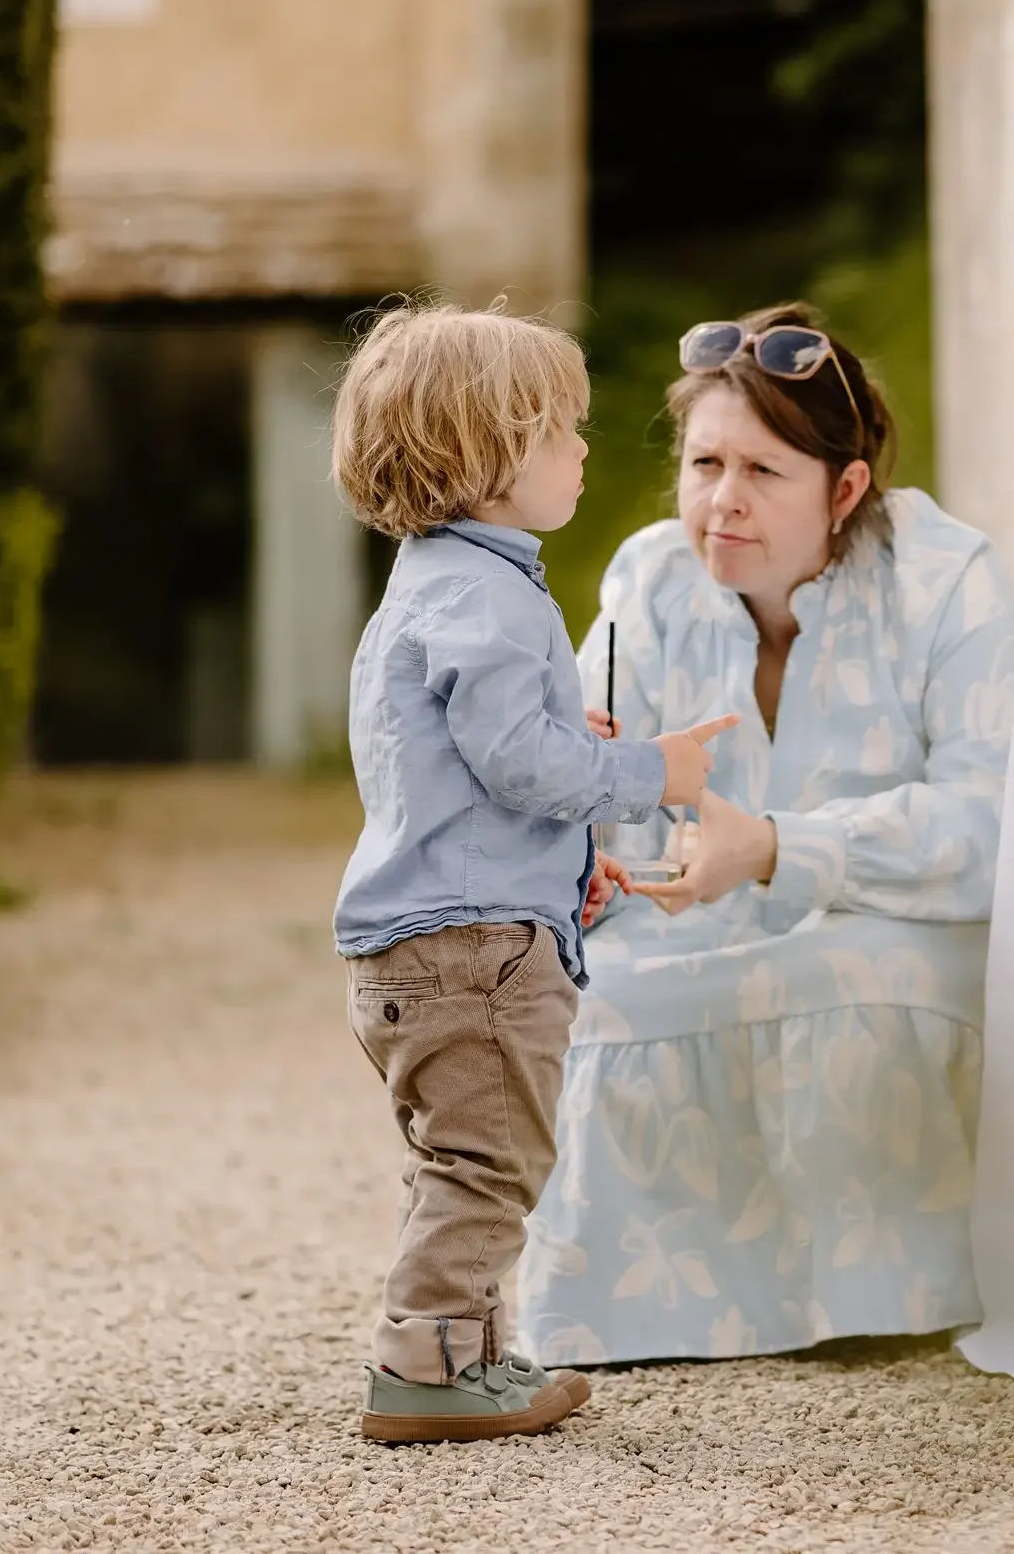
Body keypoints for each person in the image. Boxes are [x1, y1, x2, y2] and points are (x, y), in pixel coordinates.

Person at [514, 303, 1014, 1366]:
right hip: (692, 929)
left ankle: (884, 1294)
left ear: (845, 489)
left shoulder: (947, 578)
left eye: (763, 472)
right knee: (595, 995)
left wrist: (782, 846)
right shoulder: (646, 579)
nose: (722, 503)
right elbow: (589, 801)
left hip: (896, 926)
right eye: (705, 464)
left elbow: (990, 822)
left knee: (868, 973)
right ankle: (648, 1310)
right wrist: (586, 823)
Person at [329, 302, 738, 1442]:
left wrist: (564, 790)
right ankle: (425, 1368)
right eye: (562, 428)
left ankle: (468, 1352)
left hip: (433, 934)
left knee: (466, 1156)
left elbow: (454, 764)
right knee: (487, 1162)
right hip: (475, 949)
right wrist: (650, 768)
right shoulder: (491, 598)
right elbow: (519, 766)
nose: (583, 448)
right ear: (486, 455)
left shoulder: (434, 582)